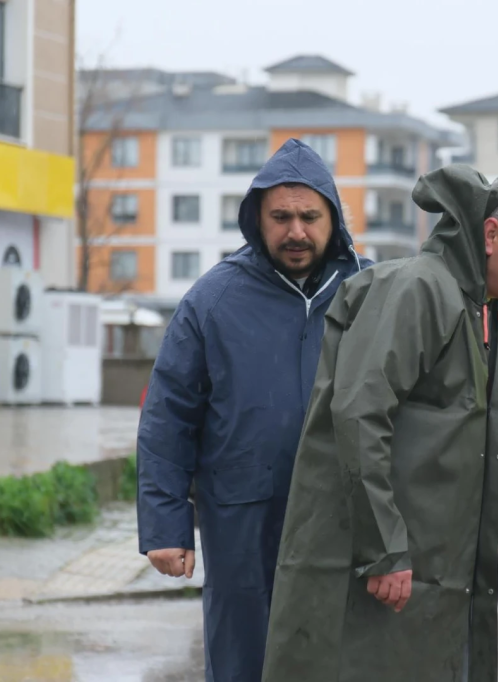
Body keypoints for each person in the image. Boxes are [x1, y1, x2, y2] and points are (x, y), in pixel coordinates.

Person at [260, 166, 498, 682]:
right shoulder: (419, 289)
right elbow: (360, 412)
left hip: (440, 576)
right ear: (492, 235)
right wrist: (384, 549)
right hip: (388, 569)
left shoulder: (490, 314)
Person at [136, 138, 372, 682]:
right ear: (256, 220)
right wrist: (165, 524)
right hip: (241, 519)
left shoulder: (368, 290)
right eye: (281, 217)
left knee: (341, 657)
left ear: (332, 218)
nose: (296, 231)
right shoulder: (213, 300)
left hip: (344, 517)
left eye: (310, 217)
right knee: (245, 658)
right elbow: (168, 417)